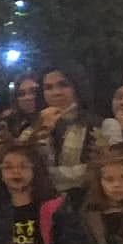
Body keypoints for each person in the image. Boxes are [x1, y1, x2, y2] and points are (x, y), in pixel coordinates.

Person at [35, 64, 97, 195]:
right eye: (48, 88)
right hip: (45, 201)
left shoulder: (102, 125)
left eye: (63, 85)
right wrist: (44, 130)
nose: (56, 92)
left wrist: (49, 175)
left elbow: (98, 170)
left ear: (76, 87)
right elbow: (30, 167)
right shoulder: (33, 127)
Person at [0, 75, 43, 144]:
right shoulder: (10, 124)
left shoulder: (53, 117)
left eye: (33, 92)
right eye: (21, 94)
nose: (28, 98)